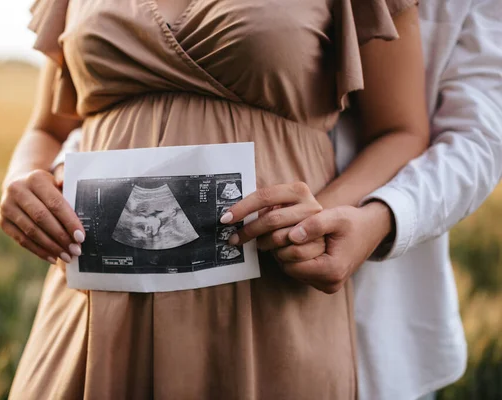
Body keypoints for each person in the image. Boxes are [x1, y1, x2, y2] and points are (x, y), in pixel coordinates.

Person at [51, 2, 502, 399]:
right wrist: (36, 180)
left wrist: (369, 215)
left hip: (278, 288)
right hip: (96, 298)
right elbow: (60, 126)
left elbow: (469, 136)